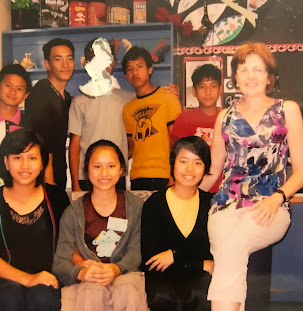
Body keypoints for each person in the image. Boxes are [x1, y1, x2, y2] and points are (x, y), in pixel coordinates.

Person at [199, 42, 303, 311]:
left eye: (258, 69)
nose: (251, 75)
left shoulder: (287, 110)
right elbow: (213, 171)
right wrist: (183, 183)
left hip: (269, 206)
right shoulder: (225, 116)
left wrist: (277, 199)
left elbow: (301, 171)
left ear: (270, 76)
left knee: (230, 251)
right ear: (235, 77)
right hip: (225, 206)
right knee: (228, 263)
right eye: (244, 69)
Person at [0, 129, 70, 311]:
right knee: (8, 297)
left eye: (32, 158)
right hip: (3, 281)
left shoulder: (57, 198)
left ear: (42, 163)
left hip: (46, 278)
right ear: (6, 162)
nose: (25, 165)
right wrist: (27, 279)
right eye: (17, 158)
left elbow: (69, 242)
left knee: (43, 298)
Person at [53, 140, 149, 311]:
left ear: (121, 169)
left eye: (111, 166)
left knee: (127, 290)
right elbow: (60, 262)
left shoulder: (136, 207)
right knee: (91, 291)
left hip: (125, 274)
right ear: (86, 169)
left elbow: (136, 252)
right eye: (97, 166)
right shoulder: (73, 213)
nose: (104, 173)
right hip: (88, 278)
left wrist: (116, 268)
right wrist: (80, 273)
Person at [141, 136, 213, 311]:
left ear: (205, 169)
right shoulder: (154, 203)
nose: (189, 169)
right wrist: (198, 262)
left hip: (199, 279)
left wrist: (174, 255)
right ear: (173, 164)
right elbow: (151, 259)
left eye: (197, 163)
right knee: (162, 295)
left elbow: (211, 250)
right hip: (163, 280)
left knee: (202, 293)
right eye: (183, 161)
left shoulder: (212, 203)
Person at [68, 38, 134, 192]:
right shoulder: (79, 102)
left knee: (118, 215)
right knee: (88, 216)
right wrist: (75, 184)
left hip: (116, 175)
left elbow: (134, 140)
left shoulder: (128, 98)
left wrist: (120, 159)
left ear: (113, 62)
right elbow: (75, 145)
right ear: (86, 64)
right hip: (85, 177)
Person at [122, 46, 182, 191]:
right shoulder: (128, 108)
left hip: (164, 174)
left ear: (150, 69)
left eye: (139, 66)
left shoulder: (167, 97)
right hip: (137, 176)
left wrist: (174, 176)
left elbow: (178, 142)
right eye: (129, 69)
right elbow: (132, 146)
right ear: (126, 76)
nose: (135, 72)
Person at [25, 38, 75, 189]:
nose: (65, 65)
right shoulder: (41, 92)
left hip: (58, 168)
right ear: (47, 64)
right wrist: (48, 174)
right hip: (44, 172)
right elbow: (41, 138)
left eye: (69, 58)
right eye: (58, 59)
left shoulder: (66, 97)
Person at [171, 63, 223, 193]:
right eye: (202, 87)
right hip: (193, 188)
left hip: (224, 189)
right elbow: (176, 158)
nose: (208, 92)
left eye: (213, 86)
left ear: (220, 89)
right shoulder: (185, 119)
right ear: (194, 91)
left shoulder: (227, 118)